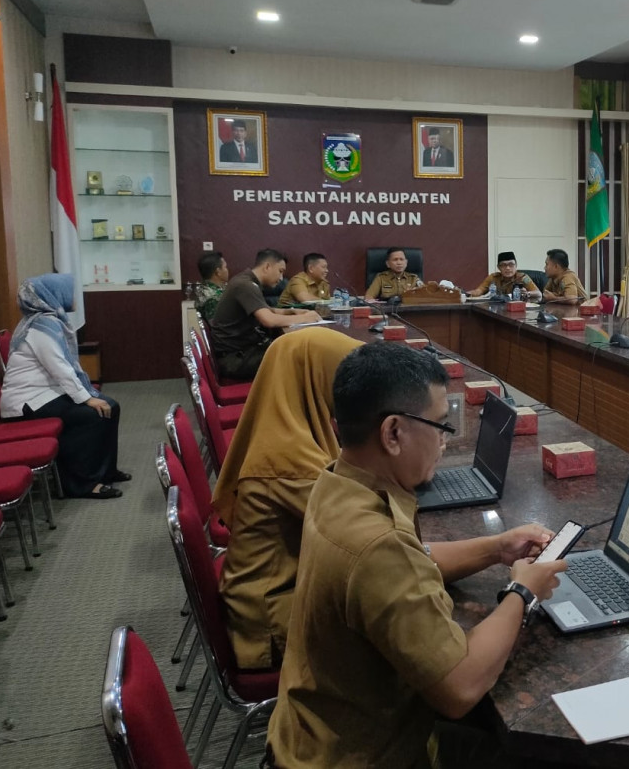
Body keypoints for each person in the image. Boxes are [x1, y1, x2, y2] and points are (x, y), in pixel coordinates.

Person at [265, 342, 566, 768]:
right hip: (367, 754)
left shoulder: (337, 482)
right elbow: (460, 687)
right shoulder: (377, 545)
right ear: (393, 433)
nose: (446, 441)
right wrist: (523, 591)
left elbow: (414, 558)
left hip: (313, 733)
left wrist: (496, 548)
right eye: (441, 425)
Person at [212, 327, 362, 669]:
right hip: (271, 624)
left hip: (283, 586)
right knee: (397, 623)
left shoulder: (290, 425)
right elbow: (366, 538)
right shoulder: (289, 462)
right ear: (315, 378)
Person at [0, 274, 126, 499]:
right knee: (90, 415)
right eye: (69, 291)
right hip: (27, 403)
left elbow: (63, 367)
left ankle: (106, 471)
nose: (74, 297)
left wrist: (88, 395)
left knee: (111, 406)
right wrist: (87, 398)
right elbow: (59, 366)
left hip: (45, 394)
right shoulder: (40, 326)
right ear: (54, 295)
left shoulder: (48, 320)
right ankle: (82, 483)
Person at [211, 249, 321, 380]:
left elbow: (267, 310)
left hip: (241, 352)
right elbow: (268, 320)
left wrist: (291, 311)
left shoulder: (247, 281)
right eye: (280, 271)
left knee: (294, 351)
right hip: (236, 359)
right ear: (267, 267)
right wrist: (305, 318)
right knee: (300, 359)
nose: (281, 278)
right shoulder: (245, 285)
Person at [470, 251, 541, 300]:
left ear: (516, 266)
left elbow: (538, 294)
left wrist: (527, 293)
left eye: (511, 264)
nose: (508, 268)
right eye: (503, 265)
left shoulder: (522, 277)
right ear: (498, 267)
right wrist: (464, 294)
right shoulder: (493, 277)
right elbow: (479, 291)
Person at [194, 250, 229, 320]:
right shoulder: (214, 298)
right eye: (225, 267)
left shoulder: (203, 289)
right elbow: (219, 326)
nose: (227, 270)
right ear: (218, 272)